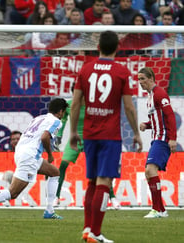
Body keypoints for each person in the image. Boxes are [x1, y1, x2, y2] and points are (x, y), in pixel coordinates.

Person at [70, 30, 142, 243]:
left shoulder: (86, 69)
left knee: (92, 181)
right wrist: (136, 133)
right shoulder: (121, 72)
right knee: (104, 181)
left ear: (98, 46)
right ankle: (95, 233)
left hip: (90, 133)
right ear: (117, 48)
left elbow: (75, 104)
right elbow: (129, 107)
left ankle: (87, 229)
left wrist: (73, 131)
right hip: (110, 135)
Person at [0, 98, 69, 220]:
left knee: (54, 173)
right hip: (30, 156)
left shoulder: (39, 118)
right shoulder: (57, 121)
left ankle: (50, 210)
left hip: (22, 152)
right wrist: (50, 154)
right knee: (13, 192)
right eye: (64, 112)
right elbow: (44, 137)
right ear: (61, 111)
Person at [53, 83, 120, 209]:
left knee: (100, 168)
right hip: (75, 139)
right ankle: (56, 197)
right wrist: (59, 135)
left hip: (91, 138)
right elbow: (63, 120)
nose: (77, 97)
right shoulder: (69, 105)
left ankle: (112, 197)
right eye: (75, 94)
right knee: (62, 166)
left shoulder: (92, 105)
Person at [138, 67, 177, 218]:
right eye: (139, 79)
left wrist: (172, 138)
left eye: (142, 78)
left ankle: (158, 209)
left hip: (163, 138)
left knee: (150, 171)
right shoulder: (150, 96)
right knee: (149, 173)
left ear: (151, 78)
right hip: (156, 138)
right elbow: (158, 119)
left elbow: (170, 115)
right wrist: (147, 125)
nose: (140, 82)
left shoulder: (159, 93)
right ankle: (160, 210)